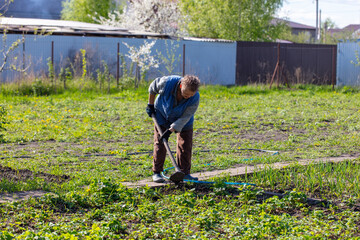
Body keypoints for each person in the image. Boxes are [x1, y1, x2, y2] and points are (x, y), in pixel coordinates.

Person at [146, 75, 200, 183]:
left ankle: (184, 173)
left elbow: (186, 117)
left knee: (185, 144)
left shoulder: (195, 98)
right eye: (185, 93)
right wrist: (150, 105)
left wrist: (170, 130)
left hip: (183, 120)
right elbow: (152, 88)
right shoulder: (166, 83)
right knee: (160, 142)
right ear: (181, 86)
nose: (187, 97)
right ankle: (157, 172)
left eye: (190, 95)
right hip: (162, 113)